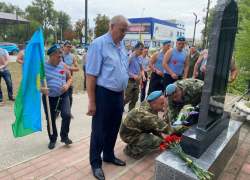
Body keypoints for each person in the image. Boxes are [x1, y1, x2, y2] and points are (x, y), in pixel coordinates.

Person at [86, 15, 129, 180]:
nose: (124, 34)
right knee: (99, 131)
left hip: (119, 95)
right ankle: (95, 163)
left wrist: (123, 91)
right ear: (112, 26)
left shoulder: (121, 44)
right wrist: (92, 101)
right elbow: (90, 76)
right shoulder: (99, 45)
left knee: (113, 127)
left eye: (125, 31)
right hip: (103, 94)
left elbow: (121, 70)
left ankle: (109, 155)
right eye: (121, 30)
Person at [120, 91, 188, 159]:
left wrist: (163, 142)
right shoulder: (147, 115)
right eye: (162, 103)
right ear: (153, 104)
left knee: (159, 139)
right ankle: (131, 150)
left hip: (135, 130)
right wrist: (186, 127)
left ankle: (137, 143)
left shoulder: (149, 105)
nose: (164, 105)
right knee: (156, 141)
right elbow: (168, 129)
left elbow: (155, 127)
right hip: (128, 135)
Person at [41, 44, 73, 150]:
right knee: (50, 119)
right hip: (49, 97)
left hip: (63, 95)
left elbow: (70, 79)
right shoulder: (42, 66)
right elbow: (34, 82)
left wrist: (67, 85)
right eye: (58, 57)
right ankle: (52, 139)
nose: (60, 59)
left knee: (67, 114)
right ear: (51, 55)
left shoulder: (63, 65)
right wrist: (41, 89)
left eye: (61, 56)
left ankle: (64, 136)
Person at [162, 36, 189, 114]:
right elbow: (164, 63)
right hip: (169, 76)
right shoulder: (171, 51)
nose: (181, 45)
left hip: (179, 76)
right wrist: (171, 73)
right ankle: (165, 114)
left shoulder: (186, 53)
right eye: (179, 43)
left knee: (178, 94)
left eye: (182, 44)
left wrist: (185, 77)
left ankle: (176, 112)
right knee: (167, 95)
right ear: (176, 43)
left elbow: (186, 65)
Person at [124, 41, 146, 111]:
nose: (142, 51)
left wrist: (143, 77)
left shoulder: (140, 58)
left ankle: (130, 114)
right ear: (136, 48)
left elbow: (141, 70)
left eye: (143, 49)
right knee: (126, 98)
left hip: (136, 81)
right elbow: (125, 70)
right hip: (129, 80)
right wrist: (133, 75)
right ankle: (118, 108)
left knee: (135, 98)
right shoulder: (130, 57)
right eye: (140, 49)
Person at [62, 40, 79, 118]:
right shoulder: (60, 55)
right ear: (64, 46)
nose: (69, 48)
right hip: (60, 78)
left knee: (69, 96)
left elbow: (77, 68)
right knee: (59, 95)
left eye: (70, 47)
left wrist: (67, 67)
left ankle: (68, 111)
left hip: (69, 78)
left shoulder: (72, 56)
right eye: (68, 47)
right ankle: (58, 111)